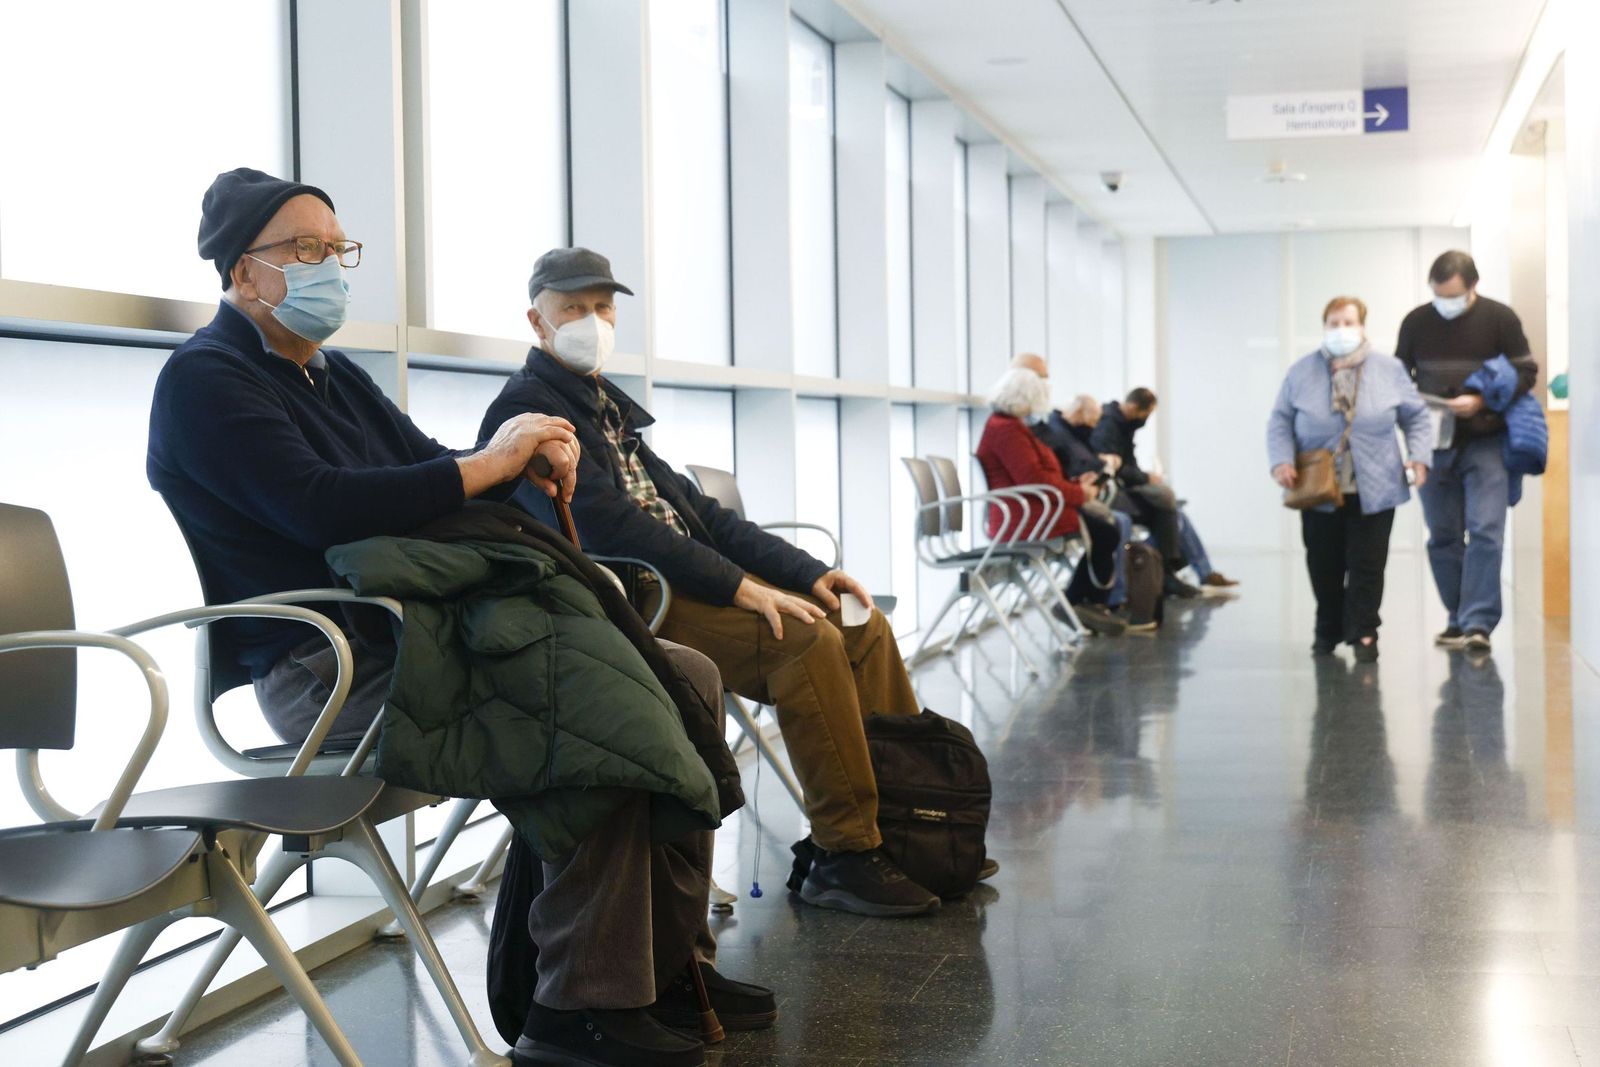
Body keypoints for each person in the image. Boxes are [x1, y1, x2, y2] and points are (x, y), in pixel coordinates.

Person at [146, 171, 770, 1067]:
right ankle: (577, 1006)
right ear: (244, 271)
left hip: (414, 634)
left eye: (338, 249)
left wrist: (520, 460)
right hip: (328, 667)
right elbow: (323, 505)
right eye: (306, 249)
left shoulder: (332, 375)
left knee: (684, 675)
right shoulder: (205, 381)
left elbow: (432, 468)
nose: (331, 266)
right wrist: (493, 459)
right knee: (595, 700)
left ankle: (667, 965)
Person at [479, 247, 954, 920]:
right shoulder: (530, 409)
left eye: (603, 307)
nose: (593, 322)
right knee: (804, 641)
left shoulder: (605, 406)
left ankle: (909, 826)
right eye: (573, 308)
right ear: (537, 321)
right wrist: (738, 587)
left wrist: (808, 572)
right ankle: (846, 852)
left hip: (678, 580)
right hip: (627, 599)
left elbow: (705, 516)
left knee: (859, 622)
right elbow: (608, 525)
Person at [1268, 295, 1432, 662]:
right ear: (1324, 327)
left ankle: (1365, 631)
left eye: (1348, 322)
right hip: (1317, 484)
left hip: (1377, 482)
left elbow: (1417, 416)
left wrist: (1419, 456)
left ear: (1362, 326)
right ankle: (1327, 626)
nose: (1341, 330)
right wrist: (1281, 461)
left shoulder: (1389, 369)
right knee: (1324, 563)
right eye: (1334, 323)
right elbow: (1280, 420)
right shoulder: (1301, 372)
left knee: (1367, 564)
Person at [1397, 250, 1536, 654]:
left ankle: (1478, 623)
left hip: (1486, 439)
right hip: (1434, 443)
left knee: (1486, 529)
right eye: (1438, 295)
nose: (1445, 304)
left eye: (1453, 296)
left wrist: (1482, 400)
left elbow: (1526, 372)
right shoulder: (1416, 322)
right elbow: (1398, 377)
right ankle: (1457, 617)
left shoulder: (1500, 318)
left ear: (1472, 286)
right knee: (1443, 534)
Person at [974, 359, 1127, 637]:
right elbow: (1035, 481)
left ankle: (1082, 602)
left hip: (1033, 511)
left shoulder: (1008, 427)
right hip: (1027, 517)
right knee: (1107, 532)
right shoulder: (1008, 430)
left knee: (1106, 530)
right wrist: (1079, 493)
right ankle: (1080, 602)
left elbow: (1038, 477)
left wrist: (1075, 486)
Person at [1089, 388, 1240, 595]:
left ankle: (1196, 573)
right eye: (1146, 414)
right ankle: (1168, 572)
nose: (1146, 419)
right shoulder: (1108, 427)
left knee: (1176, 513)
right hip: (1114, 493)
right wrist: (1146, 478)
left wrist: (1145, 477)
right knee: (1168, 510)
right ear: (1134, 407)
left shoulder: (1122, 426)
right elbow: (1113, 468)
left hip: (1124, 488)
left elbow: (1125, 464)